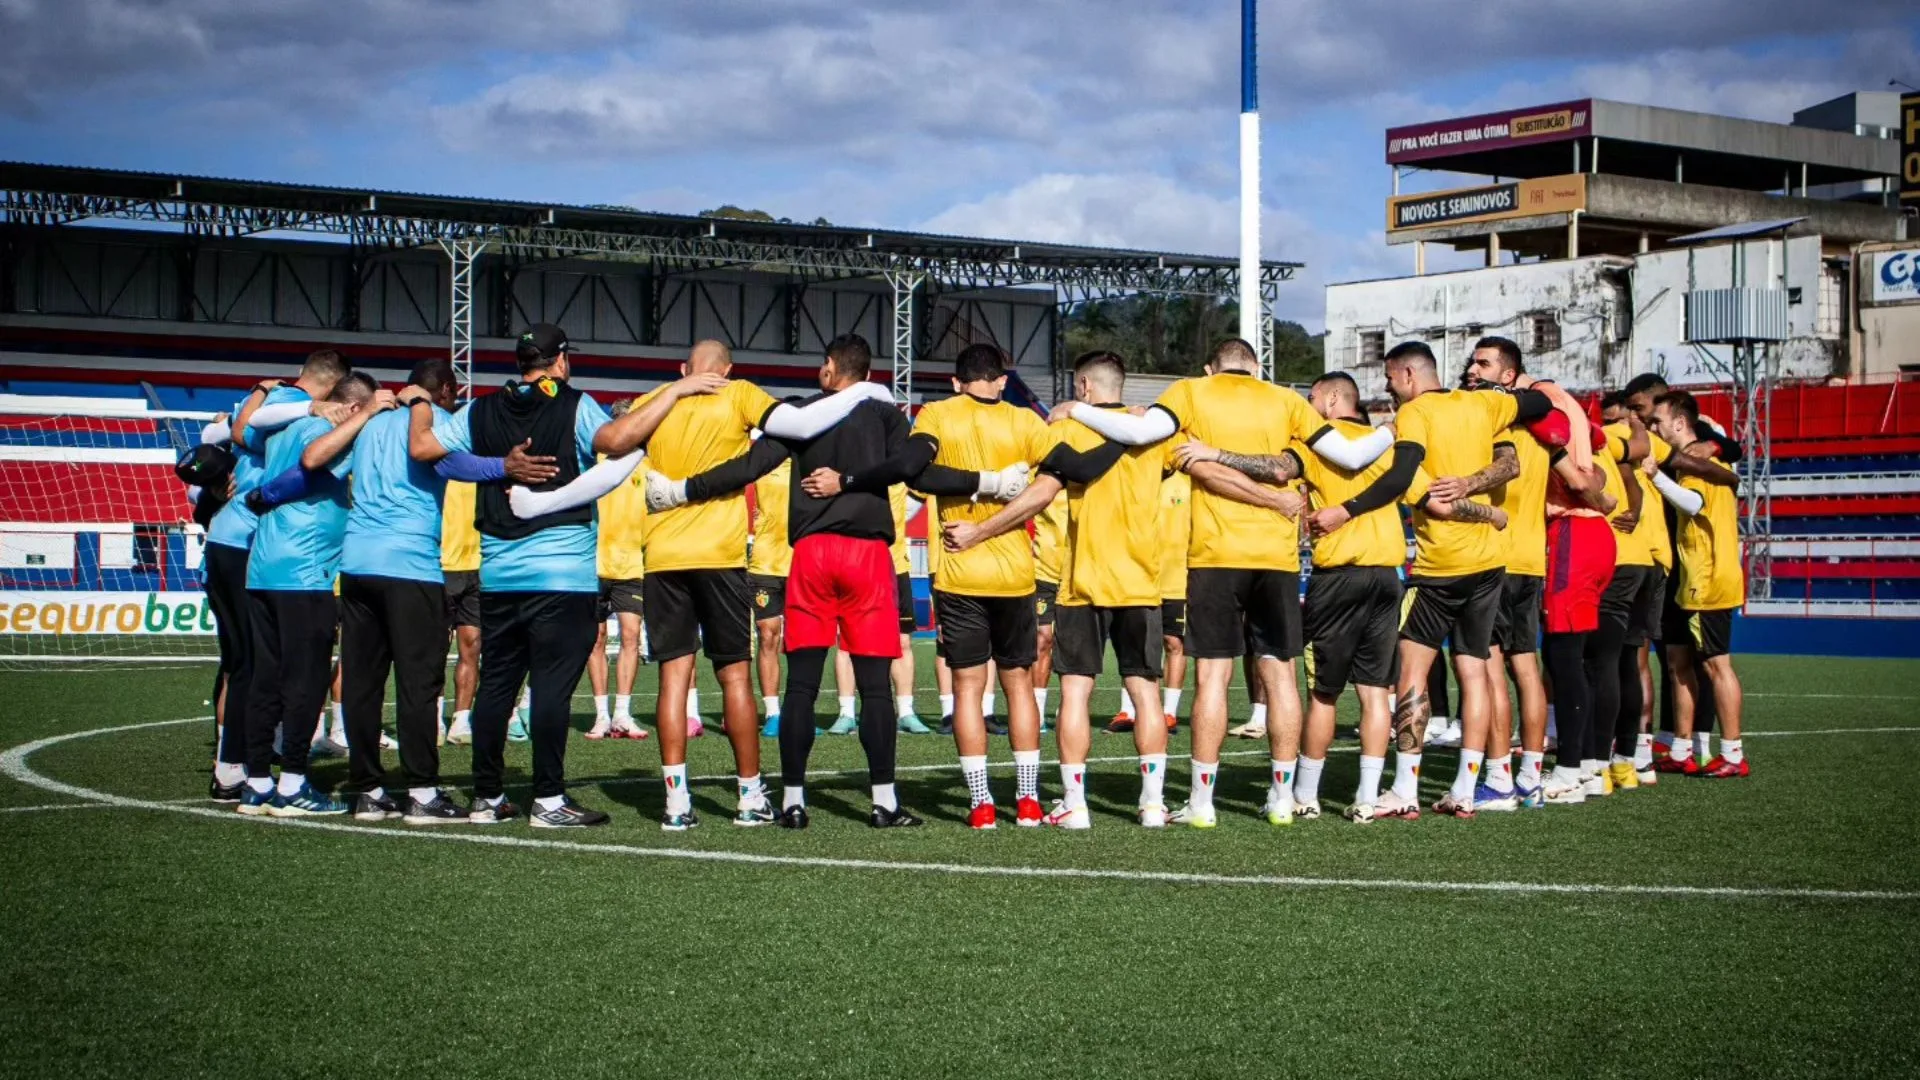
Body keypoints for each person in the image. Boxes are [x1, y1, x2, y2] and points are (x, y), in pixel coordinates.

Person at [1061, 337, 1394, 828]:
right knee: (1280, 675)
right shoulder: (1285, 399)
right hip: (1278, 558)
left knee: (1213, 676)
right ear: (1257, 366)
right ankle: (1282, 799)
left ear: (1208, 366)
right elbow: (1349, 454)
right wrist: (1392, 429)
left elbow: (1139, 434)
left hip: (1216, 555)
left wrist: (1076, 410)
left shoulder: (1192, 391)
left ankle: (1202, 802)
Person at [663, 334, 992, 827]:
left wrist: (686, 489)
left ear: (832, 368)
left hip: (812, 556)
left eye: (822, 362)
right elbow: (912, 470)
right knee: (876, 688)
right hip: (868, 557)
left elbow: (749, 466)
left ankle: (794, 801)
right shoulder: (884, 414)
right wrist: (985, 482)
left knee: (801, 685)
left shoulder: (802, 414)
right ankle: (884, 801)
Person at [412, 323, 713, 828]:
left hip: (501, 570)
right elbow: (617, 439)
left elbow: (424, 449)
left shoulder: (480, 408)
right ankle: (548, 800)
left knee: (496, 687)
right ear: (562, 361)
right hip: (562, 572)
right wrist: (676, 391)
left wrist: (487, 458)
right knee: (551, 688)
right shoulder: (573, 403)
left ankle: (487, 798)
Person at [613, 338, 893, 828]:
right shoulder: (740, 392)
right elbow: (800, 425)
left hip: (661, 556)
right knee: (736, 677)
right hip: (719, 556)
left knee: (673, 679)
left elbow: (611, 441)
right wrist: (874, 393)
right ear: (727, 369)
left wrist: (674, 394)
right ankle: (749, 797)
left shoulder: (652, 401)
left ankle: (678, 803)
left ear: (685, 367)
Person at [1334, 340, 1565, 821]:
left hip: (1442, 567)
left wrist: (1347, 509)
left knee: (1411, 672)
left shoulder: (1417, 412)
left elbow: (1400, 478)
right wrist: (1479, 488)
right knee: (1475, 670)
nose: (1388, 387)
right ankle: (1464, 787)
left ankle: (1404, 787)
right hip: (1490, 563)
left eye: (1391, 378)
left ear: (1409, 375)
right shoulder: (1484, 401)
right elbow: (1542, 401)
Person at [945, 351, 1172, 828]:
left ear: (1084, 386)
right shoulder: (1154, 434)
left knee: (1075, 692)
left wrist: (981, 531)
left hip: (1082, 579)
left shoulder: (1068, 429)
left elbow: (1042, 492)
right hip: (1141, 579)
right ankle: (1152, 803)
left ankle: (1075, 803)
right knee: (1145, 691)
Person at [1193, 372, 1416, 823]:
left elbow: (1275, 469)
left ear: (1333, 401)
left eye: (1311, 398)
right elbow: (1422, 491)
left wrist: (1214, 454)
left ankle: (1306, 793)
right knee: (1376, 693)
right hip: (1389, 575)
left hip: (1339, 574)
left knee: (1324, 693)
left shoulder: (1315, 444)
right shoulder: (1385, 445)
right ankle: (1367, 797)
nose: (1307, 409)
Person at [338, 360, 551, 822]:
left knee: (363, 680)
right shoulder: (434, 419)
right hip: (409, 563)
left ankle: (369, 791)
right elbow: (454, 463)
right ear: (448, 390)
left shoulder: (371, 423)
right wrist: (505, 466)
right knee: (418, 682)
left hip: (355, 562)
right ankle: (421, 790)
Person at [238, 372, 389, 816]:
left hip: (264, 567)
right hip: (303, 572)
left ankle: (257, 782)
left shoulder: (288, 425)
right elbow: (312, 462)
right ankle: (293, 785)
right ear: (355, 408)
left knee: (265, 679)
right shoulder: (330, 431)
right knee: (304, 682)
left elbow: (248, 429)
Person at [199, 352, 347, 801]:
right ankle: (233, 769)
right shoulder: (288, 402)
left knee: (246, 661)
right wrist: (305, 407)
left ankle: (249, 762)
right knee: (252, 664)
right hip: (247, 542)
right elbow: (243, 429)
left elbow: (219, 434)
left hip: (235, 541)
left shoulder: (274, 401)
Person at [1458, 338, 1552, 810]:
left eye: (1484, 362)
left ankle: (1498, 778)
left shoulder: (1490, 418)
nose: (1473, 369)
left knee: (1490, 671)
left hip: (1493, 558)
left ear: (1510, 376)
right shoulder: (1540, 427)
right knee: (1526, 669)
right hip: (1531, 558)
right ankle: (1531, 777)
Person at [1646, 391, 1748, 778]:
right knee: (1679, 664)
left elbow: (1694, 504)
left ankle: (1734, 754)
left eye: (1658, 420)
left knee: (1717, 666)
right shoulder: (1696, 460)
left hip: (1709, 577)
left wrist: (1656, 477)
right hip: (1690, 577)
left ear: (1679, 422)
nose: (1653, 427)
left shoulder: (1702, 460)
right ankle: (1682, 747)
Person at [586, 399, 650, 741]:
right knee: (594, 640)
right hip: (593, 565)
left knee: (630, 637)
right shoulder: (594, 464)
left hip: (631, 566)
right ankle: (601, 715)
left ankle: (623, 714)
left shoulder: (646, 467)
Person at [748, 448, 794, 738]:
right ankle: (773, 712)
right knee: (768, 634)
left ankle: (799, 710)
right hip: (765, 562)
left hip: (803, 561)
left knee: (802, 642)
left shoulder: (811, 459)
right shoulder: (761, 459)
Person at [440, 480, 482, 745]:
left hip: (477, 566)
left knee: (472, 645)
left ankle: (461, 721)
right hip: (441, 565)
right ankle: (432, 719)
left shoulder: (485, 463)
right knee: (435, 649)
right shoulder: (440, 461)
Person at [1155, 469, 1191, 732]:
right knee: (1139, 643)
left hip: (1178, 579)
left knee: (1173, 642)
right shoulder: (1140, 474)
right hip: (1141, 577)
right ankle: (1129, 710)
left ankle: (1169, 712)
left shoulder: (1188, 482)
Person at [1031, 489, 1068, 729]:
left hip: (1080, 572)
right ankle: (1037, 713)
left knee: (1075, 646)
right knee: (1042, 640)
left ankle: (1068, 710)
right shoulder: (1040, 473)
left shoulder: (1092, 469)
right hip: (1044, 572)